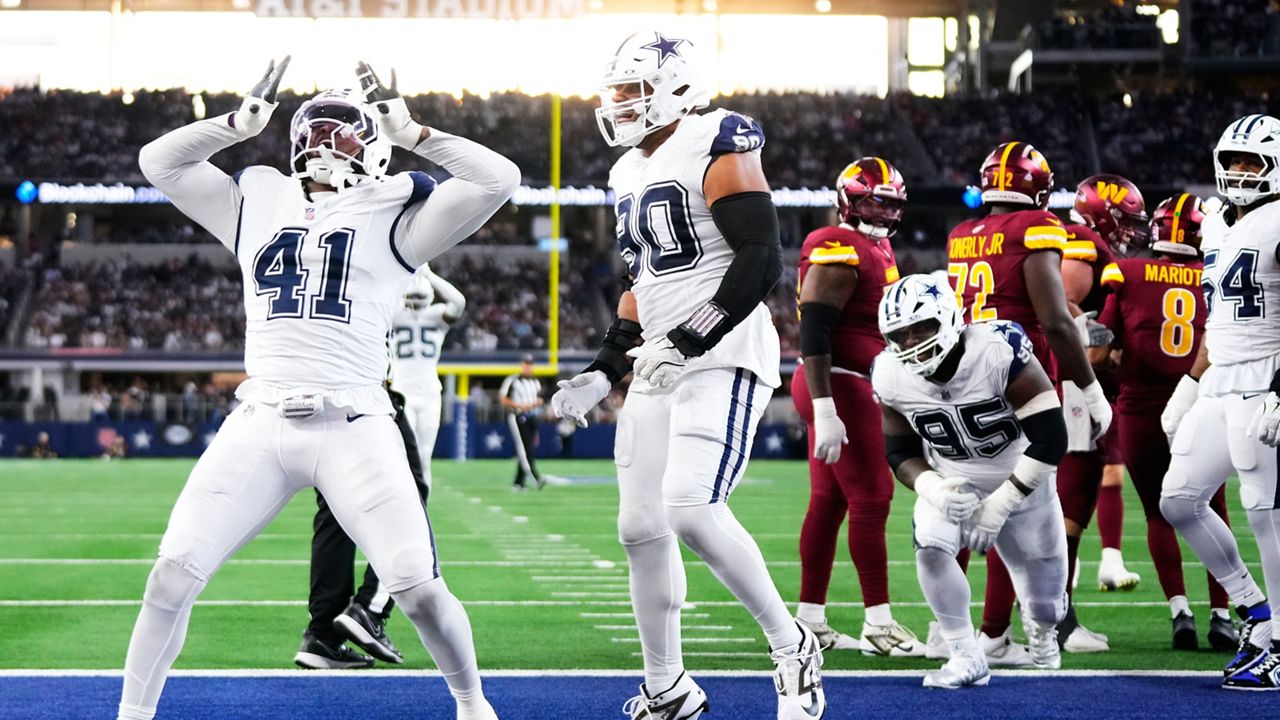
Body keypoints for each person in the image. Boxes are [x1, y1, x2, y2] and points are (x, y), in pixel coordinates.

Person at [117, 56, 519, 720]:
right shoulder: (257, 198)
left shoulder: (400, 214)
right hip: (261, 418)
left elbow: (498, 178)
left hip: (355, 422)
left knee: (415, 587)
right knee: (170, 576)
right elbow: (159, 162)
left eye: (346, 131)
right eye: (319, 128)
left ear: (378, 147)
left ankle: (473, 705)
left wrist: (419, 133)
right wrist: (234, 124)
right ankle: (132, 716)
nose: (328, 142)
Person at [551, 30, 824, 720]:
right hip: (658, 362)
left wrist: (691, 336)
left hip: (722, 352)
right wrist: (602, 370)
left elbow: (762, 257)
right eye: (613, 91)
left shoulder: (717, 137)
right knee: (640, 527)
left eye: (632, 90)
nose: (618, 104)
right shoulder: (624, 172)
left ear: (677, 86)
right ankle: (667, 686)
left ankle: (792, 646)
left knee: (691, 506)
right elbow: (644, 280)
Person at [940, 140, 1108, 666]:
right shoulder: (1035, 227)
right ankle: (995, 633)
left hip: (965, 383)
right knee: (1020, 512)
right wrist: (1089, 387)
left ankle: (949, 629)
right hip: (1020, 378)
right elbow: (1056, 320)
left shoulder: (962, 234)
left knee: (963, 500)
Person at [874, 274, 1068, 688]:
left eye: (921, 327)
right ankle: (966, 653)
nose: (910, 342)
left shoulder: (997, 350)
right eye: (899, 334)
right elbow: (899, 451)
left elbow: (1052, 439)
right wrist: (932, 487)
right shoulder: (890, 374)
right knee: (930, 545)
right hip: (953, 476)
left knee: (1045, 603)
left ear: (949, 318)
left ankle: (1042, 628)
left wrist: (1000, 504)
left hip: (1022, 478)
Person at [1163, 114, 1280, 691]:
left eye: (1251, 162)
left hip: (1267, 377)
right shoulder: (1216, 223)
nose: (1238, 172)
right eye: (1231, 161)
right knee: (1179, 499)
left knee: (1265, 510)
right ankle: (1256, 612)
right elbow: (1218, 319)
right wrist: (1189, 385)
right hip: (1220, 379)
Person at [1093, 192, 1238, 652]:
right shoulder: (1213, 274)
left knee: (1159, 513)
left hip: (1139, 408)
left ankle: (1181, 614)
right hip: (1200, 402)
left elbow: (1101, 349)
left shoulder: (1128, 272)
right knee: (1214, 509)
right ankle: (1222, 614)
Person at [790, 157, 921, 655]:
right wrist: (825, 406)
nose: (885, 212)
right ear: (849, 199)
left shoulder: (875, 246)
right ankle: (879, 623)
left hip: (845, 381)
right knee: (872, 497)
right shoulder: (838, 244)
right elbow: (816, 326)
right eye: (876, 201)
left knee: (829, 502)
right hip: (837, 382)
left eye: (891, 204)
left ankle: (810, 622)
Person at [1051, 173, 1148, 653]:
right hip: (1073, 389)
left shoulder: (1077, 239)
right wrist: (1103, 353)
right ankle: (1056, 621)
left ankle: (1046, 618)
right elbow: (1065, 310)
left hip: (1072, 387)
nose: (1131, 231)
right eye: (1125, 221)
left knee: (1069, 505)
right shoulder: (1081, 243)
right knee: (1069, 506)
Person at [294, 384, 431, 670]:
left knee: (335, 507)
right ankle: (370, 609)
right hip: (363, 398)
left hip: (313, 398)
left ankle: (323, 636)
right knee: (410, 494)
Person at [391, 263, 466, 489]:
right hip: (403, 392)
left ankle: (421, 511)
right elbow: (458, 301)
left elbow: (459, 302)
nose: (414, 303)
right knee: (406, 456)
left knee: (423, 458)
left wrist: (428, 275)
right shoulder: (393, 314)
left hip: (428, 393)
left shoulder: (434, 316)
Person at [500, 355, 544, 491]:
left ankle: (518, 482)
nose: (528, 366)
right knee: (524, 449)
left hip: (531, 417)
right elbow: (503, 399)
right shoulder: (513, 380)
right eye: (526, 363)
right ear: (521, 365)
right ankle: (536, 478)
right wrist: (520, 406)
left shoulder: (535, 381)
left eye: (530, 364)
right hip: (518, 416)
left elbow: (539, 399)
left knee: (527, 448)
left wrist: (537, 404)